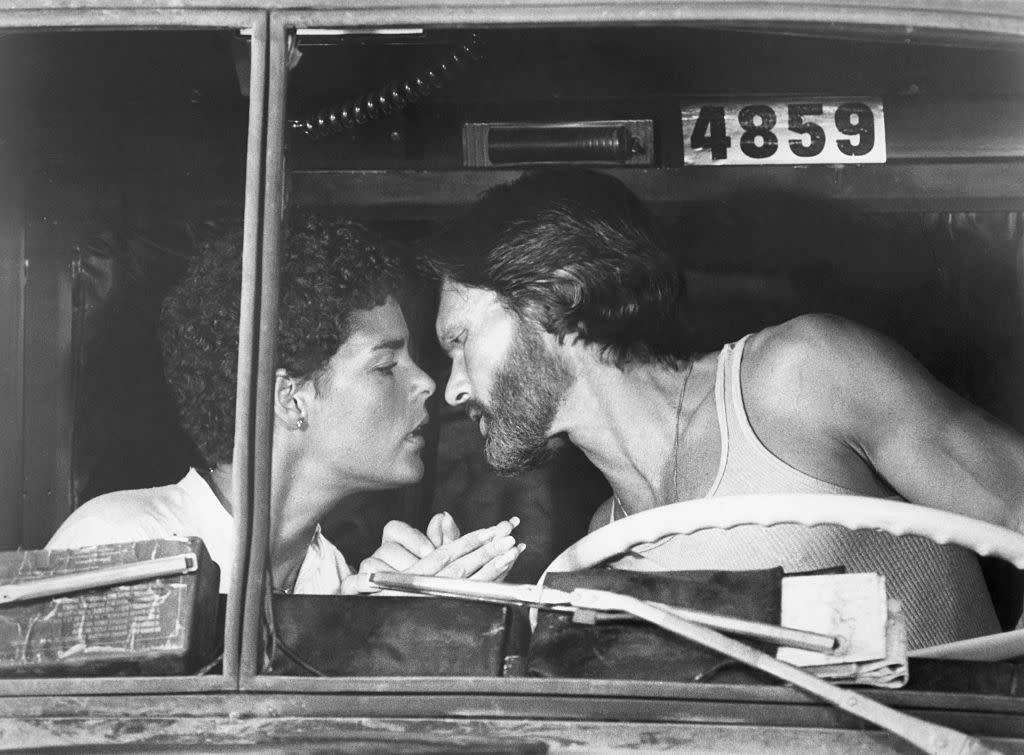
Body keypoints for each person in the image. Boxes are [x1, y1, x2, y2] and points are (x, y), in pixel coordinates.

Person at [425, 168, 1024, 648]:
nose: (453, 389)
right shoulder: (604, 552)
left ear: (557, 298)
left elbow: (1016, 500)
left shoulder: (798, 378)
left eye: (460, 340)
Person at [47, 215, 524, 594]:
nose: (425, 383)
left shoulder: (330, 575)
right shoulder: (121, 542)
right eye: (385, 365)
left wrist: (377, 634)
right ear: (291, 397)